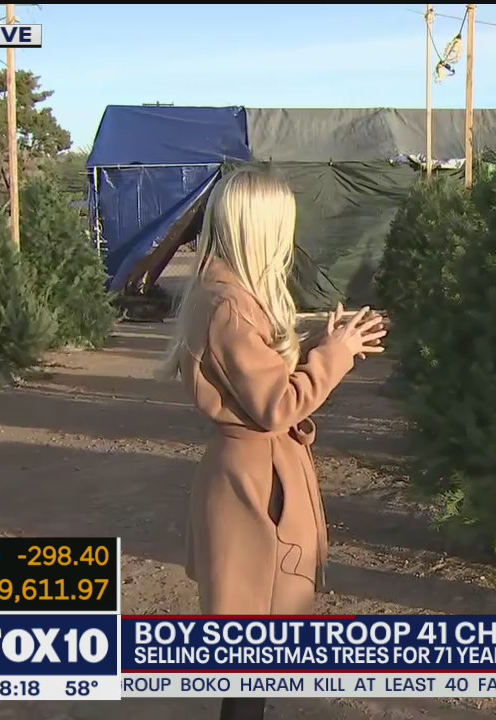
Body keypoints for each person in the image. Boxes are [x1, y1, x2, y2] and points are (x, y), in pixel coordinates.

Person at [157, 166, 386, 720]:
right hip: (256, 487)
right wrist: (333, 356)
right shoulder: (230, 306)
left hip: (252, 474)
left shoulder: (223, 294)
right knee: (252, 642)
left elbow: (259, 373)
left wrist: (323, 343)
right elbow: (277, 405)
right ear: (260, 228)